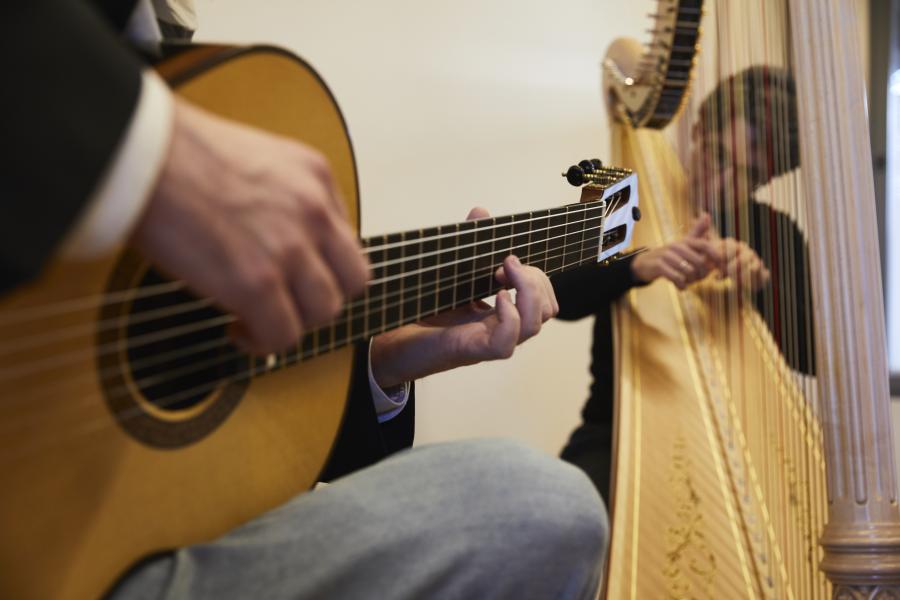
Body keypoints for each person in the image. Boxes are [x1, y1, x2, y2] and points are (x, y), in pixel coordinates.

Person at [2, 1, 607, 598]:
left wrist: (386, 361)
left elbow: (208, 445)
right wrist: (153, 151)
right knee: (542, 506)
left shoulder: (146, 44)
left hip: (81, 548)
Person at [552, 65, 813, 500]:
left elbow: (812, 359)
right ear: (696, 131)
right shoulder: (624, 202)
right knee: (563, 517)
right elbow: (558, 297)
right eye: (717, 155)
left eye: (747, 174)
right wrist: (636, 266)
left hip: (737, 441)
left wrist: (761, 286)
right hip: (614, 429)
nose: (723, 182)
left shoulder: (775, 232)